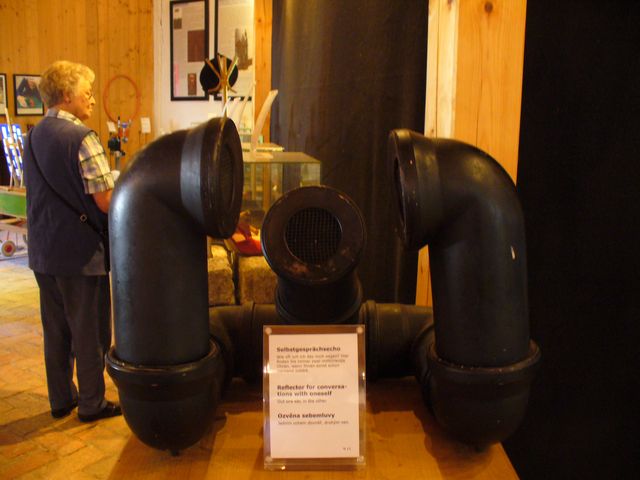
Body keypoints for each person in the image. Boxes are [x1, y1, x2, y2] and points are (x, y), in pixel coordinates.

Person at [23, 60, 121, 422]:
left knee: (56, 330)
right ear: (67, 95)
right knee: (89, 331)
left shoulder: (33, 136)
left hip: (43, 249)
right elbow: (105, 201)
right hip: (80, 253)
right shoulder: (83, 138)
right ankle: (92, 403)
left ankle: (61, 399)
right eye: (87, 93)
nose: (92, 100)